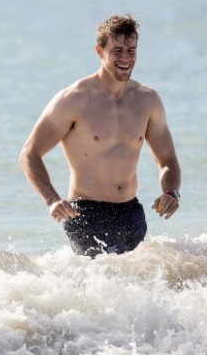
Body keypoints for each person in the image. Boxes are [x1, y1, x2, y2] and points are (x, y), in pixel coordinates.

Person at [19, 14, 181, 258]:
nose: (126, 58)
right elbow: (29, 153)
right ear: (99, 51)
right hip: (86, 213)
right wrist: (52, 200)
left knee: (137, 288)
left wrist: (171, 192)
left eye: (131, 50)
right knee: (103, 286)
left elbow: (167, 160)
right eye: (117, 50)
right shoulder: (74, 99)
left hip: (131, 213)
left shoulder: (147, 100)